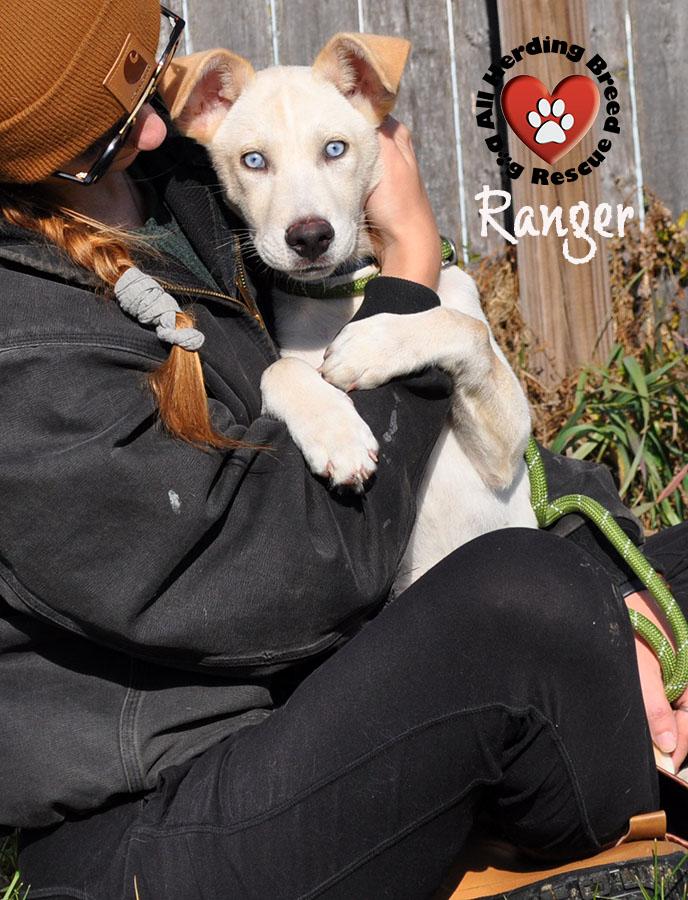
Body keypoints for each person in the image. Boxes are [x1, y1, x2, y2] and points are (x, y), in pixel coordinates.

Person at [1, 2, 687, 898]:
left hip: (333, 702)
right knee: (524, 592)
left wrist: (625, 596)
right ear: (34, 160)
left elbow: (486, 468)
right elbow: (286, 575)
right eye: (109, 129)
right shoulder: (24, 349)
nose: (160, 126)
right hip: (171, 824)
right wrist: (408, 270)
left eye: (151, 66)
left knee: (625, 574)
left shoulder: (190, 188)